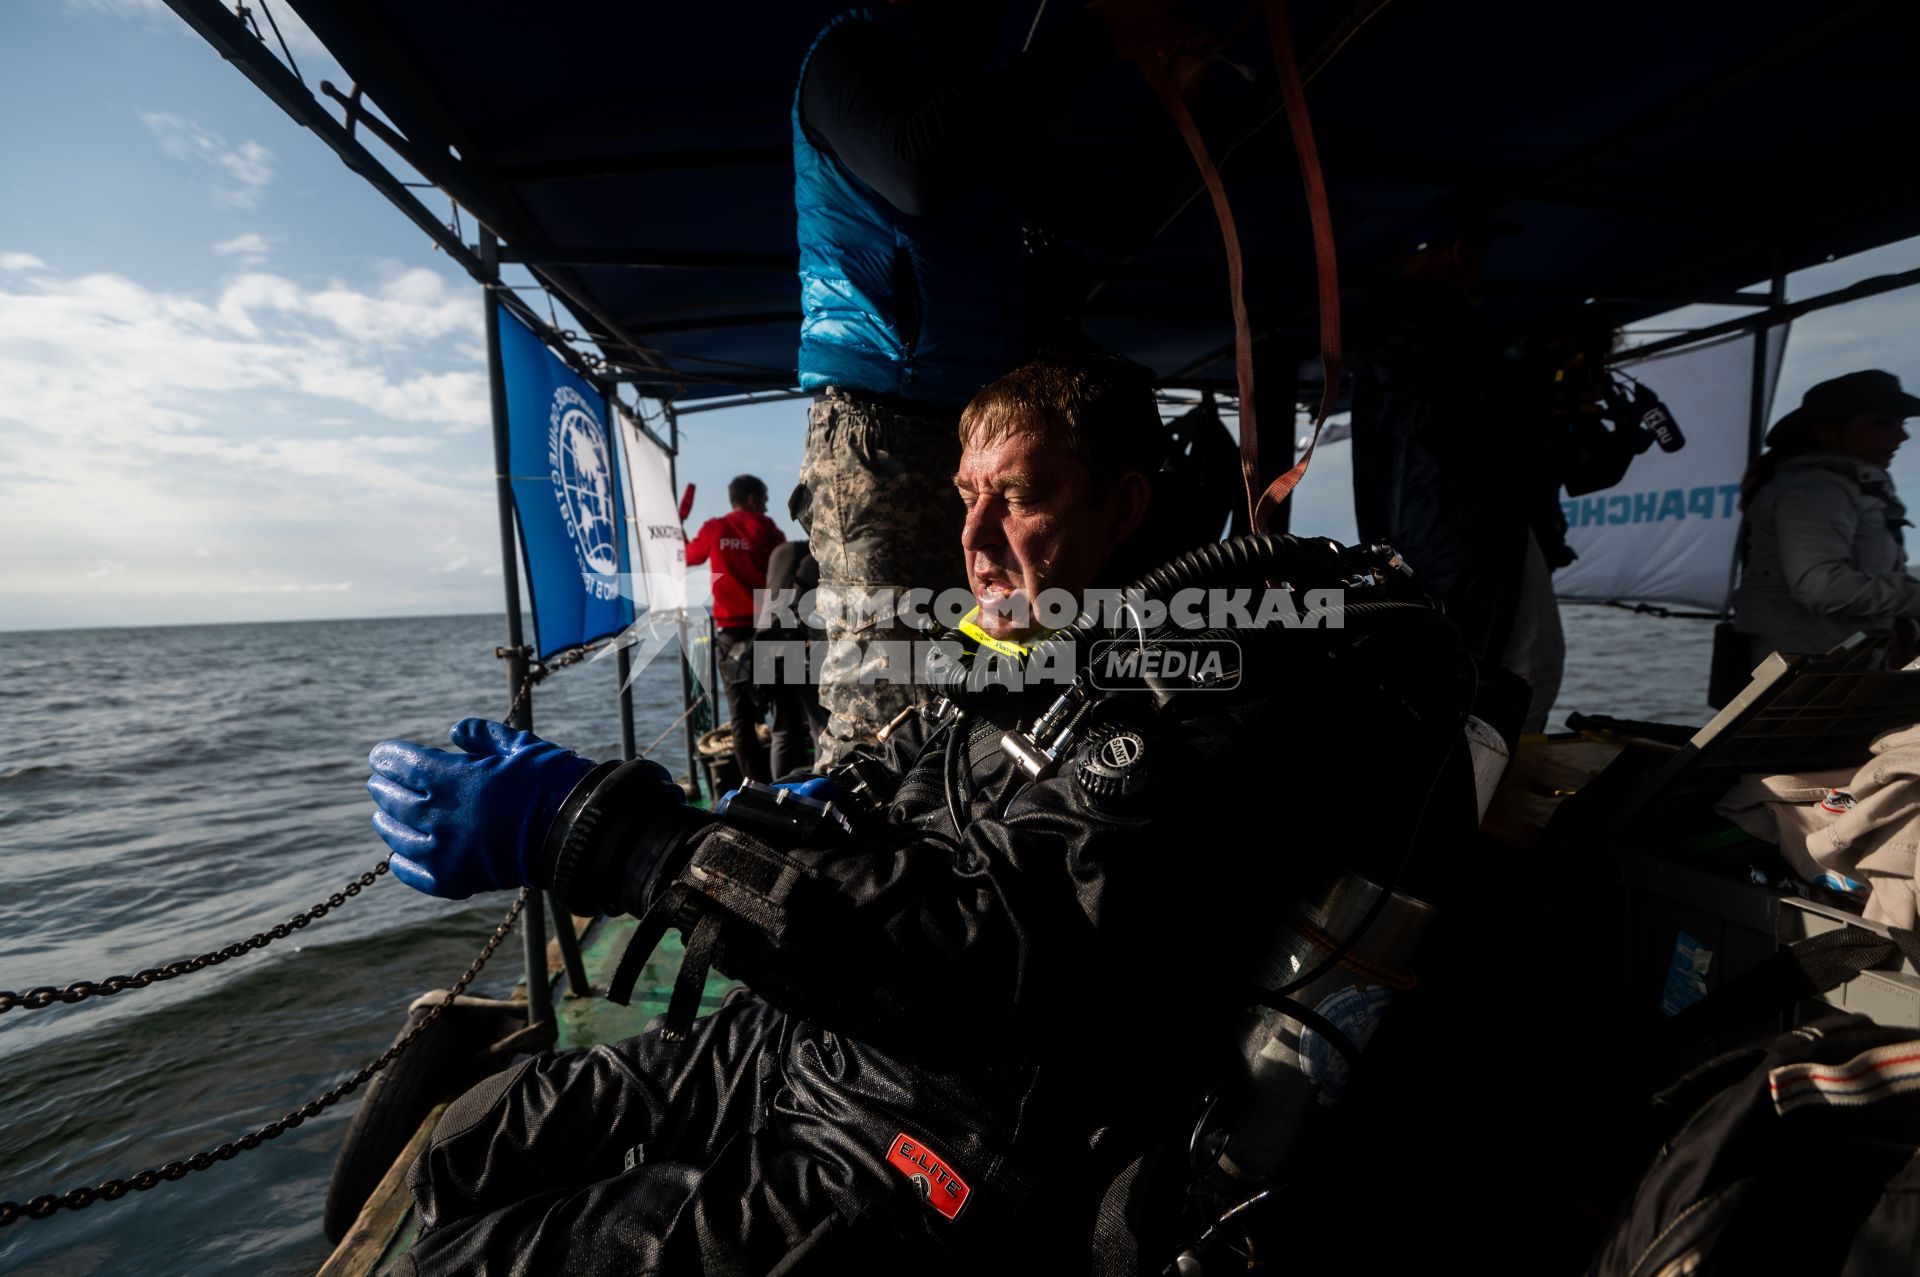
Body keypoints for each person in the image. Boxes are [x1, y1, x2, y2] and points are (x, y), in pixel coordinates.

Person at [364, 358, 1471, 1273]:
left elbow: (990, 958)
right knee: (468, 1146)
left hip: (948, 1130)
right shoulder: (1038, 635)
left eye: (1022, 497)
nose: (976, 537)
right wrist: (808, 817)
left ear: (1123, 504)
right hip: (824, 1031)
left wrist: (628, 837)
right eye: (964, 497)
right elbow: (921, 787)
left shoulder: (1195, 694)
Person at [790, 0, 1192, 767]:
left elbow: (1119, 217)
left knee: (1007, 689)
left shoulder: (986, 137)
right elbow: (915, 169)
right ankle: (862, 871)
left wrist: (1185, 94)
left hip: (986, 437)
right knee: (892, 715)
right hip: (884, 429)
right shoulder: (849, 57)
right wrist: (1099, 34)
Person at [1349, 196, 1572, 733]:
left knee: (1458, 671)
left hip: (1428, 534)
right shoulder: (1439, 324)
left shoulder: (1383, 328)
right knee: (1518, 671)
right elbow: (1469, 434)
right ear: (1458, 252)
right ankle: (1482, 796)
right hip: (1470, 533)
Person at [1731, 370, 1920, 663]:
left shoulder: (1849, 488)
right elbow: (1823, 587)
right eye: (1881, 423)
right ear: (1826, 430)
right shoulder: (1815, 490)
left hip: (1839, 673)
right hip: (1806, 682)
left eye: (1901, 423)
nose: (1902, 435)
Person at [685, 475, 784, 784]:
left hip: (730, 636)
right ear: (753, 499)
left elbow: (688, 556)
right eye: (765, 498)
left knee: (740, 718)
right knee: (781, 711)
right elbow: (784, 572)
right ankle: (783, 780)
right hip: (769, 633)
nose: (766, 505)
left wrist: (676, 522)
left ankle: (755, 786)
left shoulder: (714, 529)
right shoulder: (769, 531)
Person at [753, 538, 827, 777]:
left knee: (782, 730)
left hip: (767, 648)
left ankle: (777, 792)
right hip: (800, 647)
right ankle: (820, 787)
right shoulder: (819, 555)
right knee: (821, 729)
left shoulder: (779, 551)